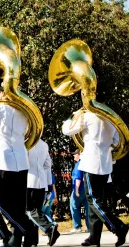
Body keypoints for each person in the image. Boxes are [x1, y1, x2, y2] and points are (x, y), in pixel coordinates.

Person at [0, 71, 59, 247]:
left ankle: (22, 229)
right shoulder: (24, 109)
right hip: (21, 160)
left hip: (1, 160)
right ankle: (17, 240)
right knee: (17, 204)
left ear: (1, 90)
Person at [62, 89, 128, 247]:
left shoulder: (87, 115)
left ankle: (118, 227)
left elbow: (67, 130)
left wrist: (73, 114)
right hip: (105, 165)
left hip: (91, 163)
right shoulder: (111, 119)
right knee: (95, 202)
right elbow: (117, 141)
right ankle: (94, 237)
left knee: (94, 201)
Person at [24, 139, 60, 247]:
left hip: (29, 181)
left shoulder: (24, 142)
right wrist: (48, 184)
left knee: (29, 211)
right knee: (36, 212)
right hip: (41, 183)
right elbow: (48, 165)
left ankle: (49, 228)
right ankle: (31, 241)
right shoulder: (44, 144)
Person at [69, 149, 89, 233]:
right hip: (85, 189)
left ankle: (77, 227)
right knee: (87, 208)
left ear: (79, 155)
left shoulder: (78, 164)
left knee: (73, 206)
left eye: (75, 154)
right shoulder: (85, 163)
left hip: (79, 189)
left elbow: (78, 178)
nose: (74, 155)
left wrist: (76, 190)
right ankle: (90, 227)